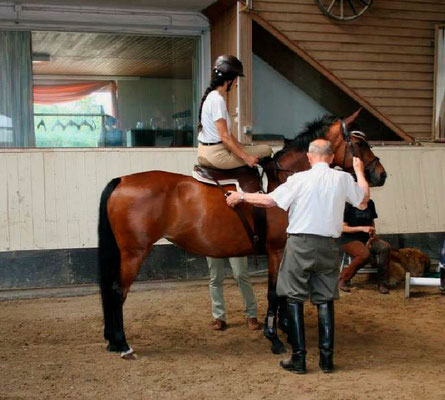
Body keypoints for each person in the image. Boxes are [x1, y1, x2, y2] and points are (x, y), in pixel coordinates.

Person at [226, 139, 369, 374]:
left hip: (300, 244)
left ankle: (299, 358)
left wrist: (242, 196)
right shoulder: (343, 179)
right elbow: (363, 202)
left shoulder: (299, 179)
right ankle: (326, 360)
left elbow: (269, 200)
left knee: (293, 298)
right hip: (329, 245)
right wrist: (360, 172)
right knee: (324, 300)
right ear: (331, 158)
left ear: (311, 158)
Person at [198, 55, 272, 331]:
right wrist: (247, 157)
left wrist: (240, 148)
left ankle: (244, 314)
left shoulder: (211, 97)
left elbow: (226, 136)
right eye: (235, 81)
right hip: (217, 154)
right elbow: (226, 138)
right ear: (229, 80)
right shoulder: (217, 99)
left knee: (225, 275)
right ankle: (266, 199)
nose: (235, 85)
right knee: (264, 152)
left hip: (208, 151)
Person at [337, 200, 391, 295]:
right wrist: (362, 228)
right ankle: (343, 279)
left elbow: (372, 221)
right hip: (349, 239)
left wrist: (372, 234)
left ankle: (382, 283)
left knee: (385, 247)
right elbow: (343, 227)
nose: (367, 195)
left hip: (367, 238)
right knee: (364, 254)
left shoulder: (370, 203)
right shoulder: (348, 205)